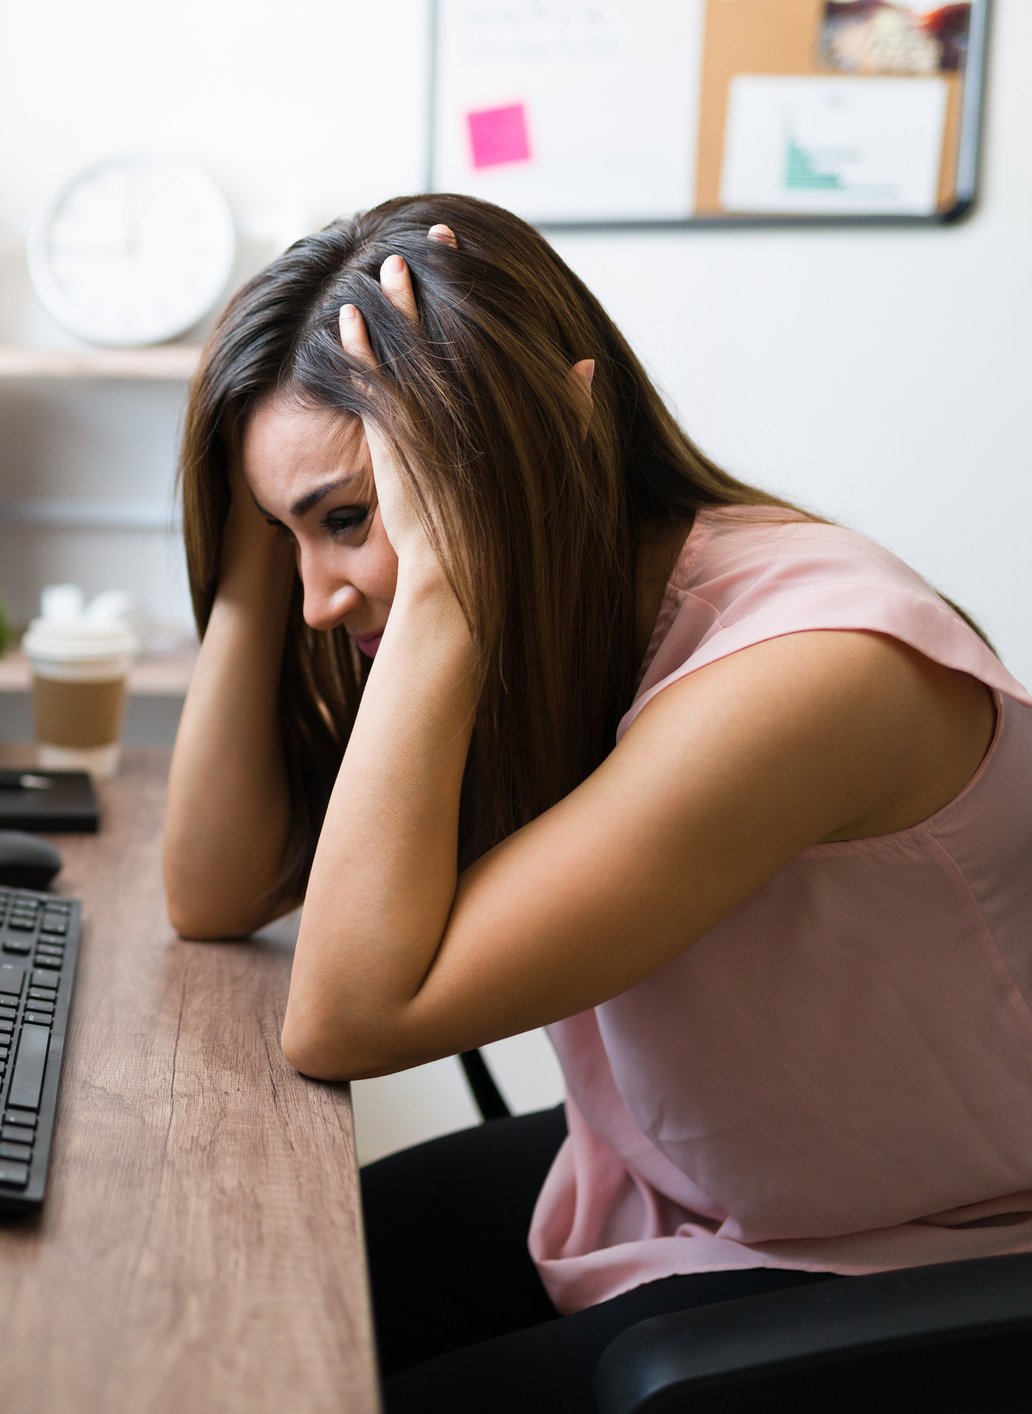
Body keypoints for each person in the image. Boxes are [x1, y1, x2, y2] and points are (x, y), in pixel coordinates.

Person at [162, 192, 1032, 1411]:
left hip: (918, 1251)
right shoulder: (560, 617)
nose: (317, 596)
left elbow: (343, 1017)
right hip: (673, 1186)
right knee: (234, 1289)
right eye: (288, 534)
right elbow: (213, 890)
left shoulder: (813, 669)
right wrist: (252, 540)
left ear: (536, 446)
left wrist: (441, 581)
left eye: (350, 518)